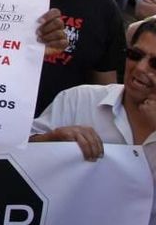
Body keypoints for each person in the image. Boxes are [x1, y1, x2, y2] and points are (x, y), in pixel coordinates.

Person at [29, 18, 156, 224]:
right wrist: (50, 139)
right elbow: (14, 158)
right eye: (136, 55)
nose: (141, 67)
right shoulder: (78, 100)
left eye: (155, 63)